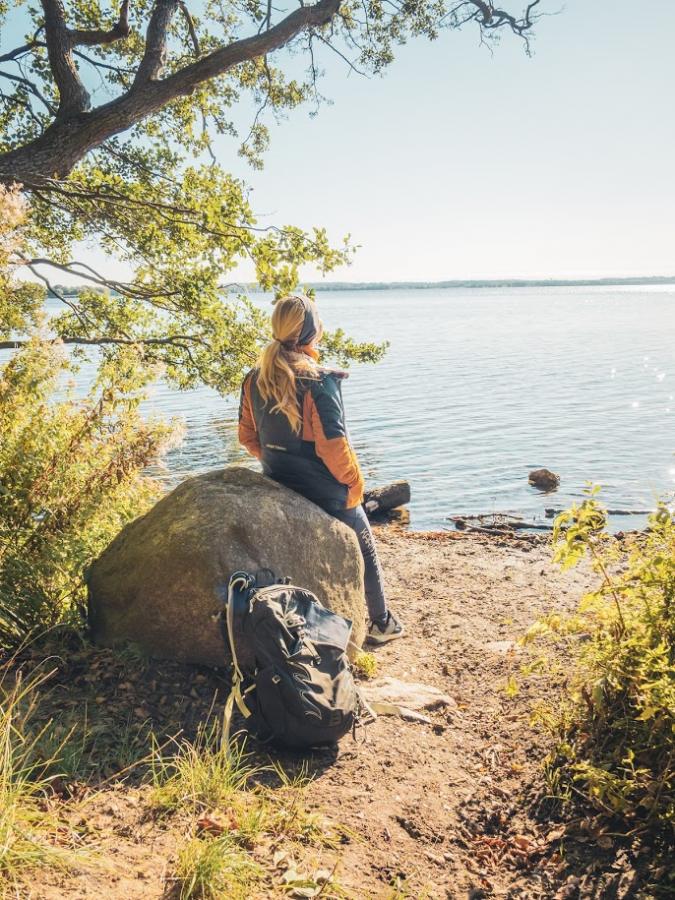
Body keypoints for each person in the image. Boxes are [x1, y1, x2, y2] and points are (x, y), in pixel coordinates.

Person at [238, 294, 404, 645]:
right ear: (311, 332)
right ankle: (381, 623)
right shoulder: (319, 381)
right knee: (365, 545)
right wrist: (355, 486)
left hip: (278, 482)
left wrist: (277, 464)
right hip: (325, 492)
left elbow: (248, 437)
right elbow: (333, 448)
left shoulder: (254, 379)